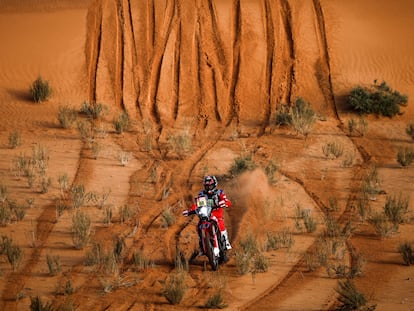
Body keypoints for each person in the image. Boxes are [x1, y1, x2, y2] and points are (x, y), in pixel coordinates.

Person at [183, 175, 232, 255]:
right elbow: (197, 204)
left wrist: (223, 203)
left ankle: (226, 243)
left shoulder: (219, 192)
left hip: (217, 214)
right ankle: (202, 247)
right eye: (207, 186)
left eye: (210, 186)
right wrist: (189, 211)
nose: (209, 188)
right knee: (199, 226)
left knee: (221, 225)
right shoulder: (202, 194)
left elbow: (226, 200)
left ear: (214, 185)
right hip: (205, 214)